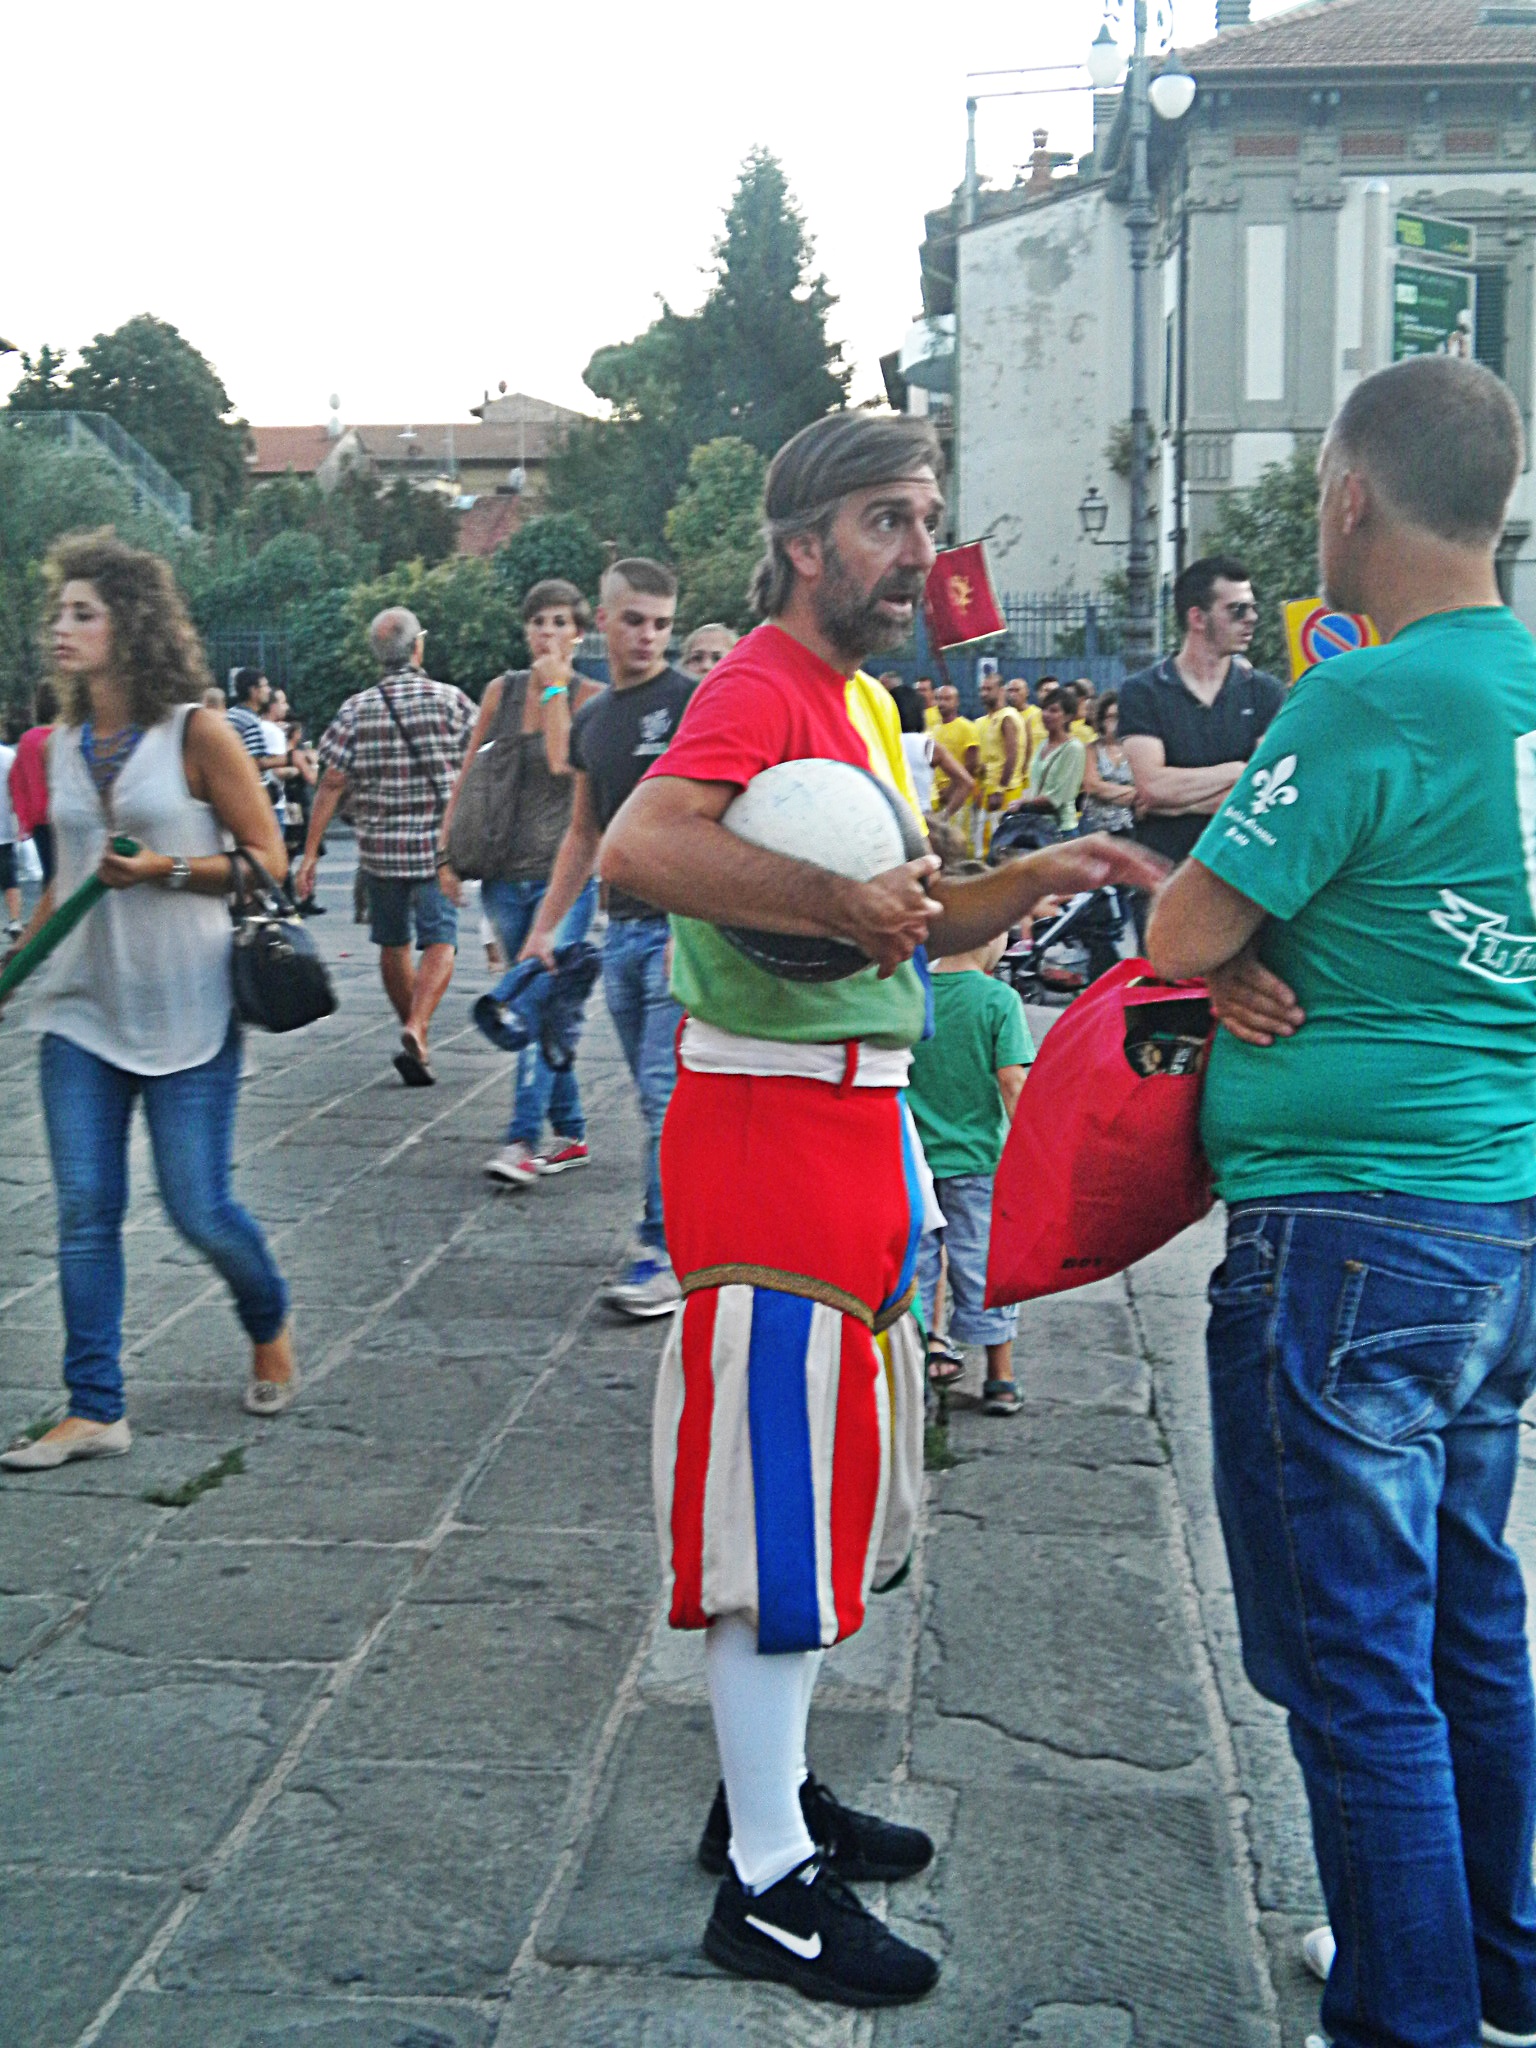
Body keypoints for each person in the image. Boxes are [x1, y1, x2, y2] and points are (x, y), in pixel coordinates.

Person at [600, 412, 1163, 2008]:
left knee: (830, 1485)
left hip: (853, 1122)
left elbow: (903, 918)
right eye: (889, 522)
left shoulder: (853, 697)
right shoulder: (759, 684)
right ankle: (770, 1893)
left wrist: (1035, 878)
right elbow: (646, 846)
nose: (924, 550)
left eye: (927, 518)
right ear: (806, 545)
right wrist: (841, 899)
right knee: (774, 1503)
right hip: (771, 1129)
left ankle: (763, 1799)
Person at [1147, 354, 1536, 2048]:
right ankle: (1495, 1968)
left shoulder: (1364, 698)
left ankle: (1405, 2017)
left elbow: (1182, 931)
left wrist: (1247, 945)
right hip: (1498, 1216)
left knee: (1353, 1656)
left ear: (1353, 495)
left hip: (1351, 1233)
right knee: (1468, 1618)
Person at [0, 531, 295, 1473]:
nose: (61, 627)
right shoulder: (59, 746)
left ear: (130, 624)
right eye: (59, 612)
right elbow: (65, 877)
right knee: (85, 1208)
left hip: (187, 1003)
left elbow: (269, 862)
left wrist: (166, 867)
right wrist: (15, 968)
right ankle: (95, 1407)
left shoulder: (197, 734)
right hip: (81, 1007)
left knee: (198, 1208)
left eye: (83, 612)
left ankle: (267, 1318)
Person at [517, 560, 694, 1316]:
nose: (649, 636)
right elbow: (582, 833)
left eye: (662, 623)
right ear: (603, 621)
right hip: (619, 933)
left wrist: (702, 921)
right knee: (662, 1099)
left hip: (680, 931)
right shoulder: (593, 721)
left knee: (662, 1094)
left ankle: (663, 1252)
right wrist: (545, 927)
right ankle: (699, 1228)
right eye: (635, 621)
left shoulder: (692, 702)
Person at [441, 578, 603, 1185]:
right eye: (539, 621)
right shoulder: (501, 692)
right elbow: (469, 773)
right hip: (504, 873)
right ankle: (572, 1131)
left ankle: (521, 1140)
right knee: (546, 1005)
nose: (547, 633)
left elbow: (563, 762)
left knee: (529, 1000)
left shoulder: (590, 697)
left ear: (579, 633)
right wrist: (446, 850)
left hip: (565, 879)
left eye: (560, 622)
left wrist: (555, 685)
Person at [296, 608, 475, 1087]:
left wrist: (310, 854)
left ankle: (415, 1032)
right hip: (438, 848)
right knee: (441, 939)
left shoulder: (355, 709)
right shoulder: (452, 701)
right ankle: (418, 1025)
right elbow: (478, 767)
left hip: (379, 852)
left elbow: (331, 782)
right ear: (418, 647)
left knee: (392, 943)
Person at [907, 862, 1032, 1416]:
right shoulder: (998, 1001)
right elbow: (1012, 1081)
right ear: (991, 931)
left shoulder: (912, 992)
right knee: (983, 1264)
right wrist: (1033, 1151)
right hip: (980, 1160)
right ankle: (1000, 1377)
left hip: (915, 1162)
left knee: (920, 1262)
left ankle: (922, 1360)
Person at [1118, 554, 1285, 942]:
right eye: (1237, 610)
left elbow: (1266, 795)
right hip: (1164, 883)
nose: (1251, 618)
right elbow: (1152, 786)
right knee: (1166, 983)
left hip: (1240, 884)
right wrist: (1242, 770)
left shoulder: (1265, 693)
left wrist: (1174, 801)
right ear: (1197, 617)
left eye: (1253, 608)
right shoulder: (1143, 691)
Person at [883, 678, 974, 818]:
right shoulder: (928, 746)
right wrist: (944, 817)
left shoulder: (881, 743)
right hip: (922, 816)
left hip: (891, 817)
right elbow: (966, 782)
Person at [1007, 686, 1084, 837]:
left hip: (1062, 829)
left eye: (1053, 710)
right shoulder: (1043, 744)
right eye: (1044, 709)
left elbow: (1057, 798)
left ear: (1068, 716)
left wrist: (1023, 802)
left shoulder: (1073, 748)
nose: (1046, 714)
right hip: (1038, 826)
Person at [9, 681, 60, 886]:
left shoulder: (27, 740)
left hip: (40, 818)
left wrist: (24, 819)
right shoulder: (70, 735)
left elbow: (17, 783)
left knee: (50, 874)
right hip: (69, 813)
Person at [973, 669, 1025, 853]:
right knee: (984, 842)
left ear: (1001, 690)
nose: (984, 693)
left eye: (989, 689)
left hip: (1004, 791)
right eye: (982, 689)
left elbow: (1013, 755)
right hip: (987, 789)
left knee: (1001, 845)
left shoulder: (1007, 716)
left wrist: (1000, 788)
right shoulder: (983, 721)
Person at [1078, 690, 1137, 836]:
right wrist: (1131, 793)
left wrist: (1107, 791)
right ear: (1101, 719)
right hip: (1095, 826)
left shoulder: (1135, 749)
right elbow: (1092, 786)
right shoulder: (1091, 749)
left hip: (1130, 825)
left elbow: (1143, 790)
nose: (1114, 722)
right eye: (1109, 717)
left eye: (1118, 717)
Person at [931, 680, 979, 818]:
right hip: (938, 798)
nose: (942, 703)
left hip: (960, 799)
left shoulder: (967, 727)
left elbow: (971, 765)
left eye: (947, 699)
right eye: (939, 699)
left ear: (957, 702)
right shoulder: (934, 729)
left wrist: (950, 790)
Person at [0, 732, 20, 943]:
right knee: (10, 878)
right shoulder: (8, 755)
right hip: (4, 827)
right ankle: (14, 920)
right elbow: (17, 789)